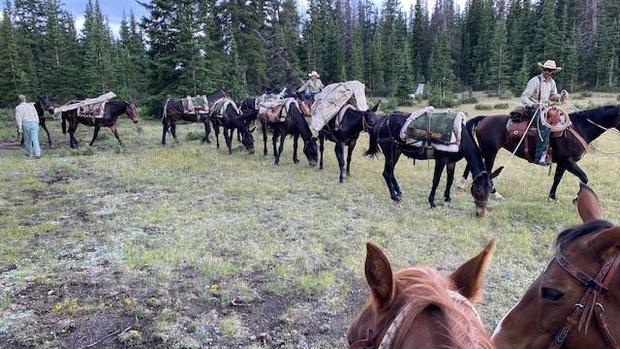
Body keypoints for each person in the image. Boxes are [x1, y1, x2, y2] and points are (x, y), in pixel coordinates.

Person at [520, 59, 570, 166]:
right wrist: (533, 104)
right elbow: (524, 97)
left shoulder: (552, 82)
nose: (548, 72)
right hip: (533, 108)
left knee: (560, 120)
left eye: (550, 70)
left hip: (545, 108)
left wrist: (561, 95)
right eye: (546, 69)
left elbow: (553, 95)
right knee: (544, 124)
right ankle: (540, 156)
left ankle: (557, 150)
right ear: (542, 69)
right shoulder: (535, 81)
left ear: (553, 72)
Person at [15, 94, 41, 159]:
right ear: (25, 99)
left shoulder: (18, 108)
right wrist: (37, 123)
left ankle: (29, 153)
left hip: (26, 124)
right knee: (35, 139)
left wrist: (19, 128)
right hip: (34, 123)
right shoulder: (31, 106)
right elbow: (36, 115)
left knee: (28, 139)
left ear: (19, 100)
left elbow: (19, 118)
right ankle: (37, 153)